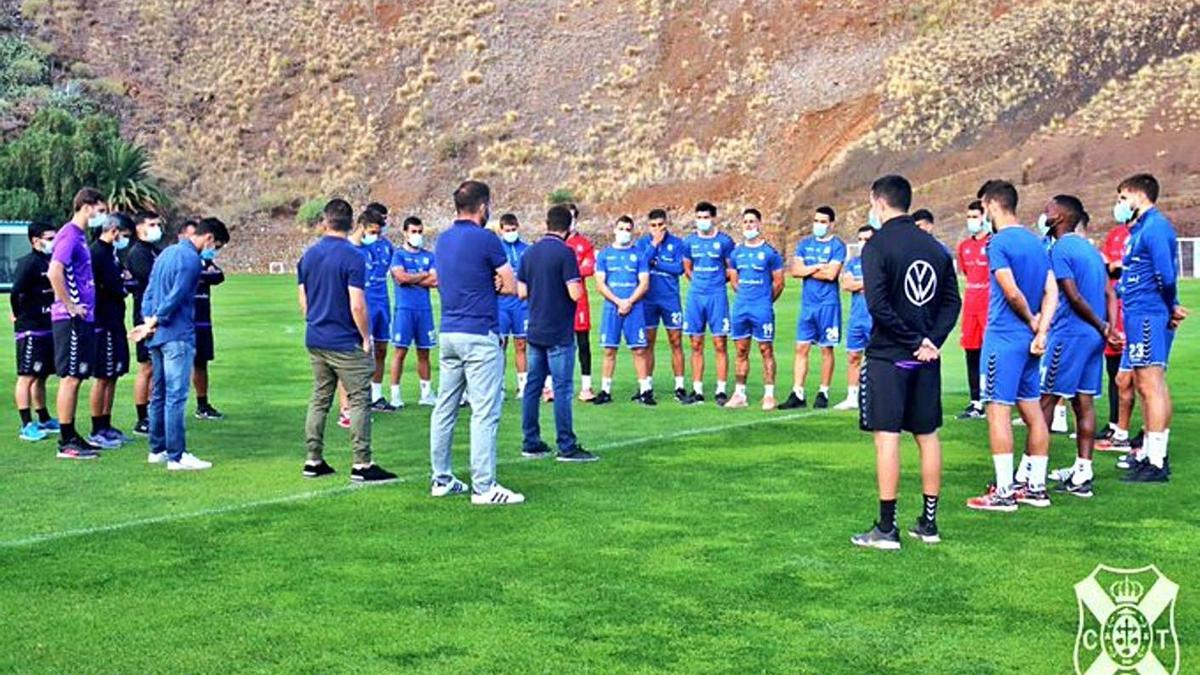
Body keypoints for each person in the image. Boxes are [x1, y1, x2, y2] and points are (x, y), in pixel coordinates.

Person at [851, 175, 961, 550]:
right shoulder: (935, 247)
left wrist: (915, 341)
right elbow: (952, 303)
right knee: (927, 435)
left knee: (888, 438)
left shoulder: (876, 246)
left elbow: (878, 305)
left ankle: (886, 527)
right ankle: (929, 524)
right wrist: (932, 341)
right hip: (924, 359)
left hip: (891, 357)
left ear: (878, 203)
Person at [429, 180, 524, 505]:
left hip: (449, 332)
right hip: (479, 332)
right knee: (485, 411)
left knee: (445, 407)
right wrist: (496, 285)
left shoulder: (442, 240)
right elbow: (511, 284)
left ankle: (441, 478)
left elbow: (441, 280)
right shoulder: (487, 239)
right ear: (483, 207)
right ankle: (484, 487)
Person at [966, 180, 1058, 512]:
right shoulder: (1036, 243)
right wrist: (1042, 331)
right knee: (1033, 414)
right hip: (1030, 343)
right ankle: (1036, 487)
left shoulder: (999, 242)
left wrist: (1034, 323)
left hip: (1004, 339)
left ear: (991, 205)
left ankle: (1004, 492)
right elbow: (1052, 291)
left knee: (998, 411)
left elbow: (1011, 291)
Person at [138, 217, 231, 471]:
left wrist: (148, 320)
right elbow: (176, 296)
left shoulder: (167, 253)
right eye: (217, 246)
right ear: (209, 238)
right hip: (176, 335)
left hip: (156, 336)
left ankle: (157, 449)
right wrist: (156, 319)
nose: (214, 252)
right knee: (175, 397)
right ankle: (176, 456)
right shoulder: (191, 261)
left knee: (159, 393)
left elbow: (149, 291)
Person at [1037, 196, 1113, 498]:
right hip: (1092, 338)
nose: (1044, 213)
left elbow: (1074, 297)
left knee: (1045, 401)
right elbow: (1108, 293)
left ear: (1060, 217)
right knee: (1083, 401)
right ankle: (1083, 473)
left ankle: (1032, 476)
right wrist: (1106, 328)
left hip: (1070, 335)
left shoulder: (1061, 249)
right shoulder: (1090, 249)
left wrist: (1100, 324)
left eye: (1049, 210)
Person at [1113, 173, 1186, 482]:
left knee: (1149, 384)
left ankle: (1155, 461)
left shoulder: (1155, 228)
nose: (1119, 205)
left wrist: (1170, 307)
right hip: (1138, 313)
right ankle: (1152, 452)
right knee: (1149, 384)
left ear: (1139, 197)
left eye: (1122, 199)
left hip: (1148, 314)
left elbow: (1166, 276)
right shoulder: (1140, 228)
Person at [518, 205, 595, 462]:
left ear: (546, 223)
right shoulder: (566, 253)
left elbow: (521, 292)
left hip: (535, 328)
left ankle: (530, 441)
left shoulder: (529, 253)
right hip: (559, 330)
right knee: (562, 388)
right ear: (569, 226)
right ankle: (566, 445)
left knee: (533, 387)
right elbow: (575, 293)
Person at [47, 188, 107, 459]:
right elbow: (54, 271)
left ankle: (72, 435)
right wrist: (69, 305)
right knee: (70, 378)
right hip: (71, 319)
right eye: (101, 210)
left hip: (84, 318)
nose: (102, 216)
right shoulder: (70, 234)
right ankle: (66, 440)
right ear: (86, 207)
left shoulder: (80, 237)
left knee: (78, 376)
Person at [781, 206, 846, 410]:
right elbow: (795, 271)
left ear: (831, 224)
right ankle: (797, 393)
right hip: (808, 305)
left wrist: (808, 270)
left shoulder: (838, 246)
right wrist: (818, 267)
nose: (818, 225)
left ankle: (823, 392)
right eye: (816, 221)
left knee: (826, 349)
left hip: (828, 304)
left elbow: (831, 275)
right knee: (801, 347)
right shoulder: (804, 244)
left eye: (823, 221)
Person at [725, 208, 785, 410]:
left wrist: (765, 302)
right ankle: (739, 393)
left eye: (752, 221)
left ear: (759, 224)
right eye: (745, 222)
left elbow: (778, 283)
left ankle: (769, 395)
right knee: (741, 350)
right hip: (741, 308)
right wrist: (745, 298)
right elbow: (734, 282)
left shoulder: (770, 253)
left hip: (762, 309)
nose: (749, 225)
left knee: (765, 349)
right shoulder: (736, 253)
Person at [593, 215, 653, 405]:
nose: (624, 233)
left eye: (628, 229)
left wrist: (629, 302)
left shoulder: (639, 255)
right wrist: (618, 301)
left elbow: (644, 283)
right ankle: (605, 390)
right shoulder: (604, 255)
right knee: (609, 349)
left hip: (634, 308)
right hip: (612, 307)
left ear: (632, 232)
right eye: (621, 229)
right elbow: (600, 284)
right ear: (614, 230)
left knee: (639, 350)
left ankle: (645, 390)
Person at [87, 213, 134, 448]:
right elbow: (102, 285)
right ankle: (96, 428)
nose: (124, 239)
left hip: (115, 320)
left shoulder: (111, 254)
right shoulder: (96, 253)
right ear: (114, 230)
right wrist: (121, 286)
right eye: (124, 234)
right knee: (102, 376)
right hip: (102, 321)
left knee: (113, 374)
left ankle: (106, 423)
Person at [173, 219, 228, 421]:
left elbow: (219, 276)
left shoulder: (203, 260)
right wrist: (203, 275)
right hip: (184, 321)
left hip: (203, 320)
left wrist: (203, 275)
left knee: (201, 363)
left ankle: (202, 405)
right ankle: (166, 408)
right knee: (176, 364)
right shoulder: (181, 257)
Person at [682, 201, 736, 405]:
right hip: (696, 296)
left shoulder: (725, 241)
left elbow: (731, 269)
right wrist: (698, 283)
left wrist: (716, 283)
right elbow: (687, 267)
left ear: (713, 218)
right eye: (699, 218)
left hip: (717, 296)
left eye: (706, 218)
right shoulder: (689, 242)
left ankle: (721, 390)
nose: (702, 221)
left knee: (719, 343)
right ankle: (697, 390)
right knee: (695, 343)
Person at [11, 220, 59, 442]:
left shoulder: (49, 261)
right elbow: (16, 292)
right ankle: (25, 424)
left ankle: (44, 417)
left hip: (48, 326)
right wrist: (17, 315)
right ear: (35, 241)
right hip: (30, 328)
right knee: (27, 376)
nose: (53, 242)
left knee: (41, 375)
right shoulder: (29, 263)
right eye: (49, 239)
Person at [636, 208, 689, 403]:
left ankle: (680, 386)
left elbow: (678, 268)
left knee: (675, 341)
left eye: (660, 225)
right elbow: (641, 262)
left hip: (670, 299)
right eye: (653, 226)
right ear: (648, 226)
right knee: (648, 342)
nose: (657, 229)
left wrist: (656, 263)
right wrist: (653, 245)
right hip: (649, 299)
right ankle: (646, 386)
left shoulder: (677, 244)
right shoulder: (643, 243)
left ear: (666, 224)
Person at [389, 216, 438, 408]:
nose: (417, 235)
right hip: (404, 309)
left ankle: (426, 393)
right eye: (413, 232)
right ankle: (395, 394)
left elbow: (435, 281)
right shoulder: (398, 255)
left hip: (424, 310)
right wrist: (423, 274)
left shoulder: (429, 256)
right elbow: (400, 277)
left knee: (424, 353)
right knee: (400, 352)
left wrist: (413, 278)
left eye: (420, 232)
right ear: (405, 233)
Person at [125, 211, 163, 435]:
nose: (156, 228)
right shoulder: (139, 253)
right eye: (152, 224)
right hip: (145, 315)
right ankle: (142, 417)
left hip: (156, 315)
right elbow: (152, 280)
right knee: (146, 367)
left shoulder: (153, 251)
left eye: (158, 224)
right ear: (140, 228)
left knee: (155, 366)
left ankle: (153, 411)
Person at [834, 225, 876, 411]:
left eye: (867, 239)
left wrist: (859, 284)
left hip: (875, 319)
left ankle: (877, 397)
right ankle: (852, 397)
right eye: (861, 239)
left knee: (876, 360)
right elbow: (846, 284)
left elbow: (879, 285)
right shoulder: (853, 263)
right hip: (856, 318)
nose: (863, 243)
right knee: (853, 356)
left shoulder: (882, 262)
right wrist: (865, 284)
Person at [955, 200, 989, 419]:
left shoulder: (994, 243)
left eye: (975, 216)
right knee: (971, 352)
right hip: (970, 308)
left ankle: (992, 399)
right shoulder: (964, 247)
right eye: (969, 217)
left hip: (989, 307)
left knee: (990, 354)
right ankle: (975, 401)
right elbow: (968, 274)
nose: (971, 221)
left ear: (985, 217)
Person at [360, 203, 395, 411]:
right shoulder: (358, 248)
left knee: (381, 349)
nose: (383, 225)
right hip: (365, 301)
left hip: (383, 301)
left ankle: (377, 395)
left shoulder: (387, 246)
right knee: (364, 350)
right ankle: (360, 397)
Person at [564, 203, 597, 402]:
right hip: (557, 300)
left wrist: (566, 270)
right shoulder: (554, 243)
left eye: (573, 217)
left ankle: (586, 387)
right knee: (556, 344)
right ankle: (551, 386)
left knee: (582, 343)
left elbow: (589, 267)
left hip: (579, 300)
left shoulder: (583, 244)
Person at [498, 213, 531, 397]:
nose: (511, 233)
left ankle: (523, 385)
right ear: (501, 230)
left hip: (522, 305)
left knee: (521, 344)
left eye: (513, 229)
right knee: (500, 345)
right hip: (501, 305)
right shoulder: (496, 249)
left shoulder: (527, 249)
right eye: (507, 230)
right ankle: (500, 385)